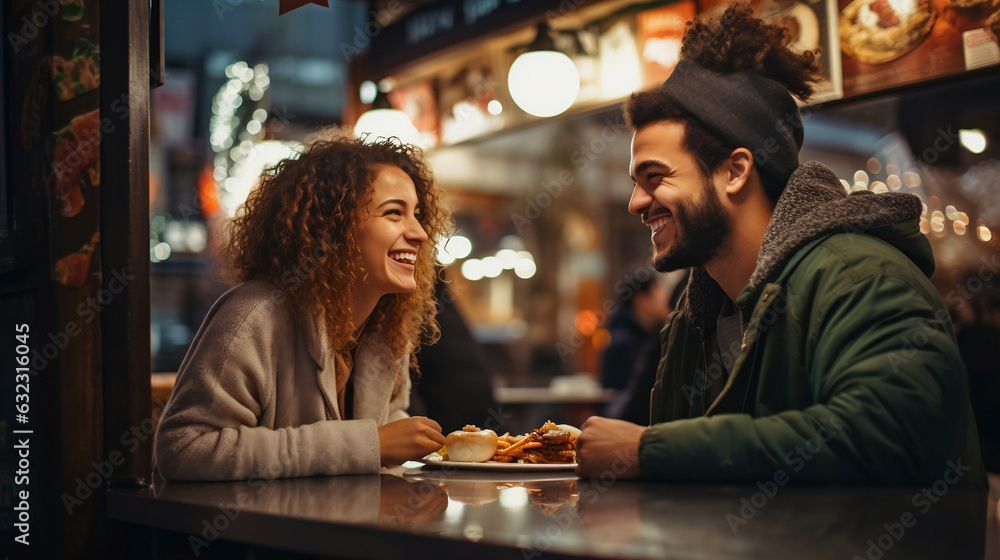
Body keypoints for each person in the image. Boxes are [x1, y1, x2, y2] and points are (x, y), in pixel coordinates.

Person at [575, 3, 985, 486]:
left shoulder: (861, 278)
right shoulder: (695, 316)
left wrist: (647, 450)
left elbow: (888, 435)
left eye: (655, 177)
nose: (635, 203)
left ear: (736, 170)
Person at [154, 131, 451, 481]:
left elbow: (382, 443)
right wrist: (369, 443)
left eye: (416, 214)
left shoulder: (385, 327)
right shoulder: (254, 315)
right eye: (394, 213)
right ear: (332, 227)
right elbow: (185, 449)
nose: (419, 233)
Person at [599, 272, 669, 392]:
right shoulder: (623, 344)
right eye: (659, 292)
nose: (666, 299)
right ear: (641, 299)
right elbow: (618, 399)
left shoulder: (647, 336)